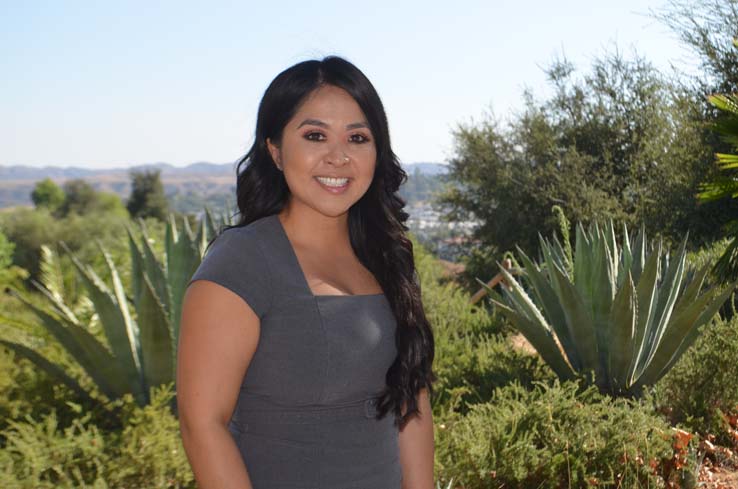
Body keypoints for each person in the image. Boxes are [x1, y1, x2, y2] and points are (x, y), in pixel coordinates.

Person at [176, 55, 436, 489]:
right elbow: (202, 424)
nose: (339, 157)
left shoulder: (386, 257)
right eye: (315, 136)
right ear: (275, 150)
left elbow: (412, 404)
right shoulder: (243, 262)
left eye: (358, 138)